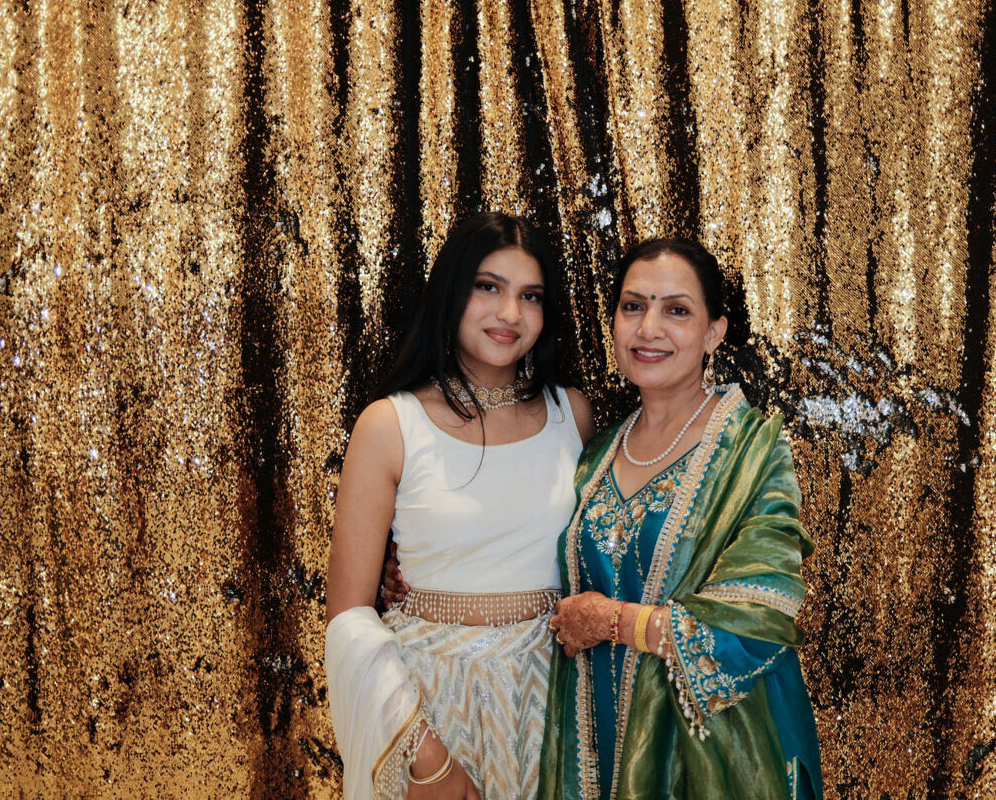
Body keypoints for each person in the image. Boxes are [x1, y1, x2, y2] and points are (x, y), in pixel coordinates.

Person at [539, 238, 823, 799]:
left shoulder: (753, 450)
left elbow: (758, 616)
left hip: (714, 757)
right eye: (633, 306)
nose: (649, 329)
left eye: (676, 310)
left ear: (713, 332)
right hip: (592, 746)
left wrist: (614, 622)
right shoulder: (596, 454)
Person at [325, 212, 594, 799]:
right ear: (451, 293)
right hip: (427, 704)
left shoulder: (571, 414)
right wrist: (423, 755)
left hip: (555, 706)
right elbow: (348, 616)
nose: (510, 314)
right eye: (488, 287)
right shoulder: (391, 424)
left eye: (530, 296)